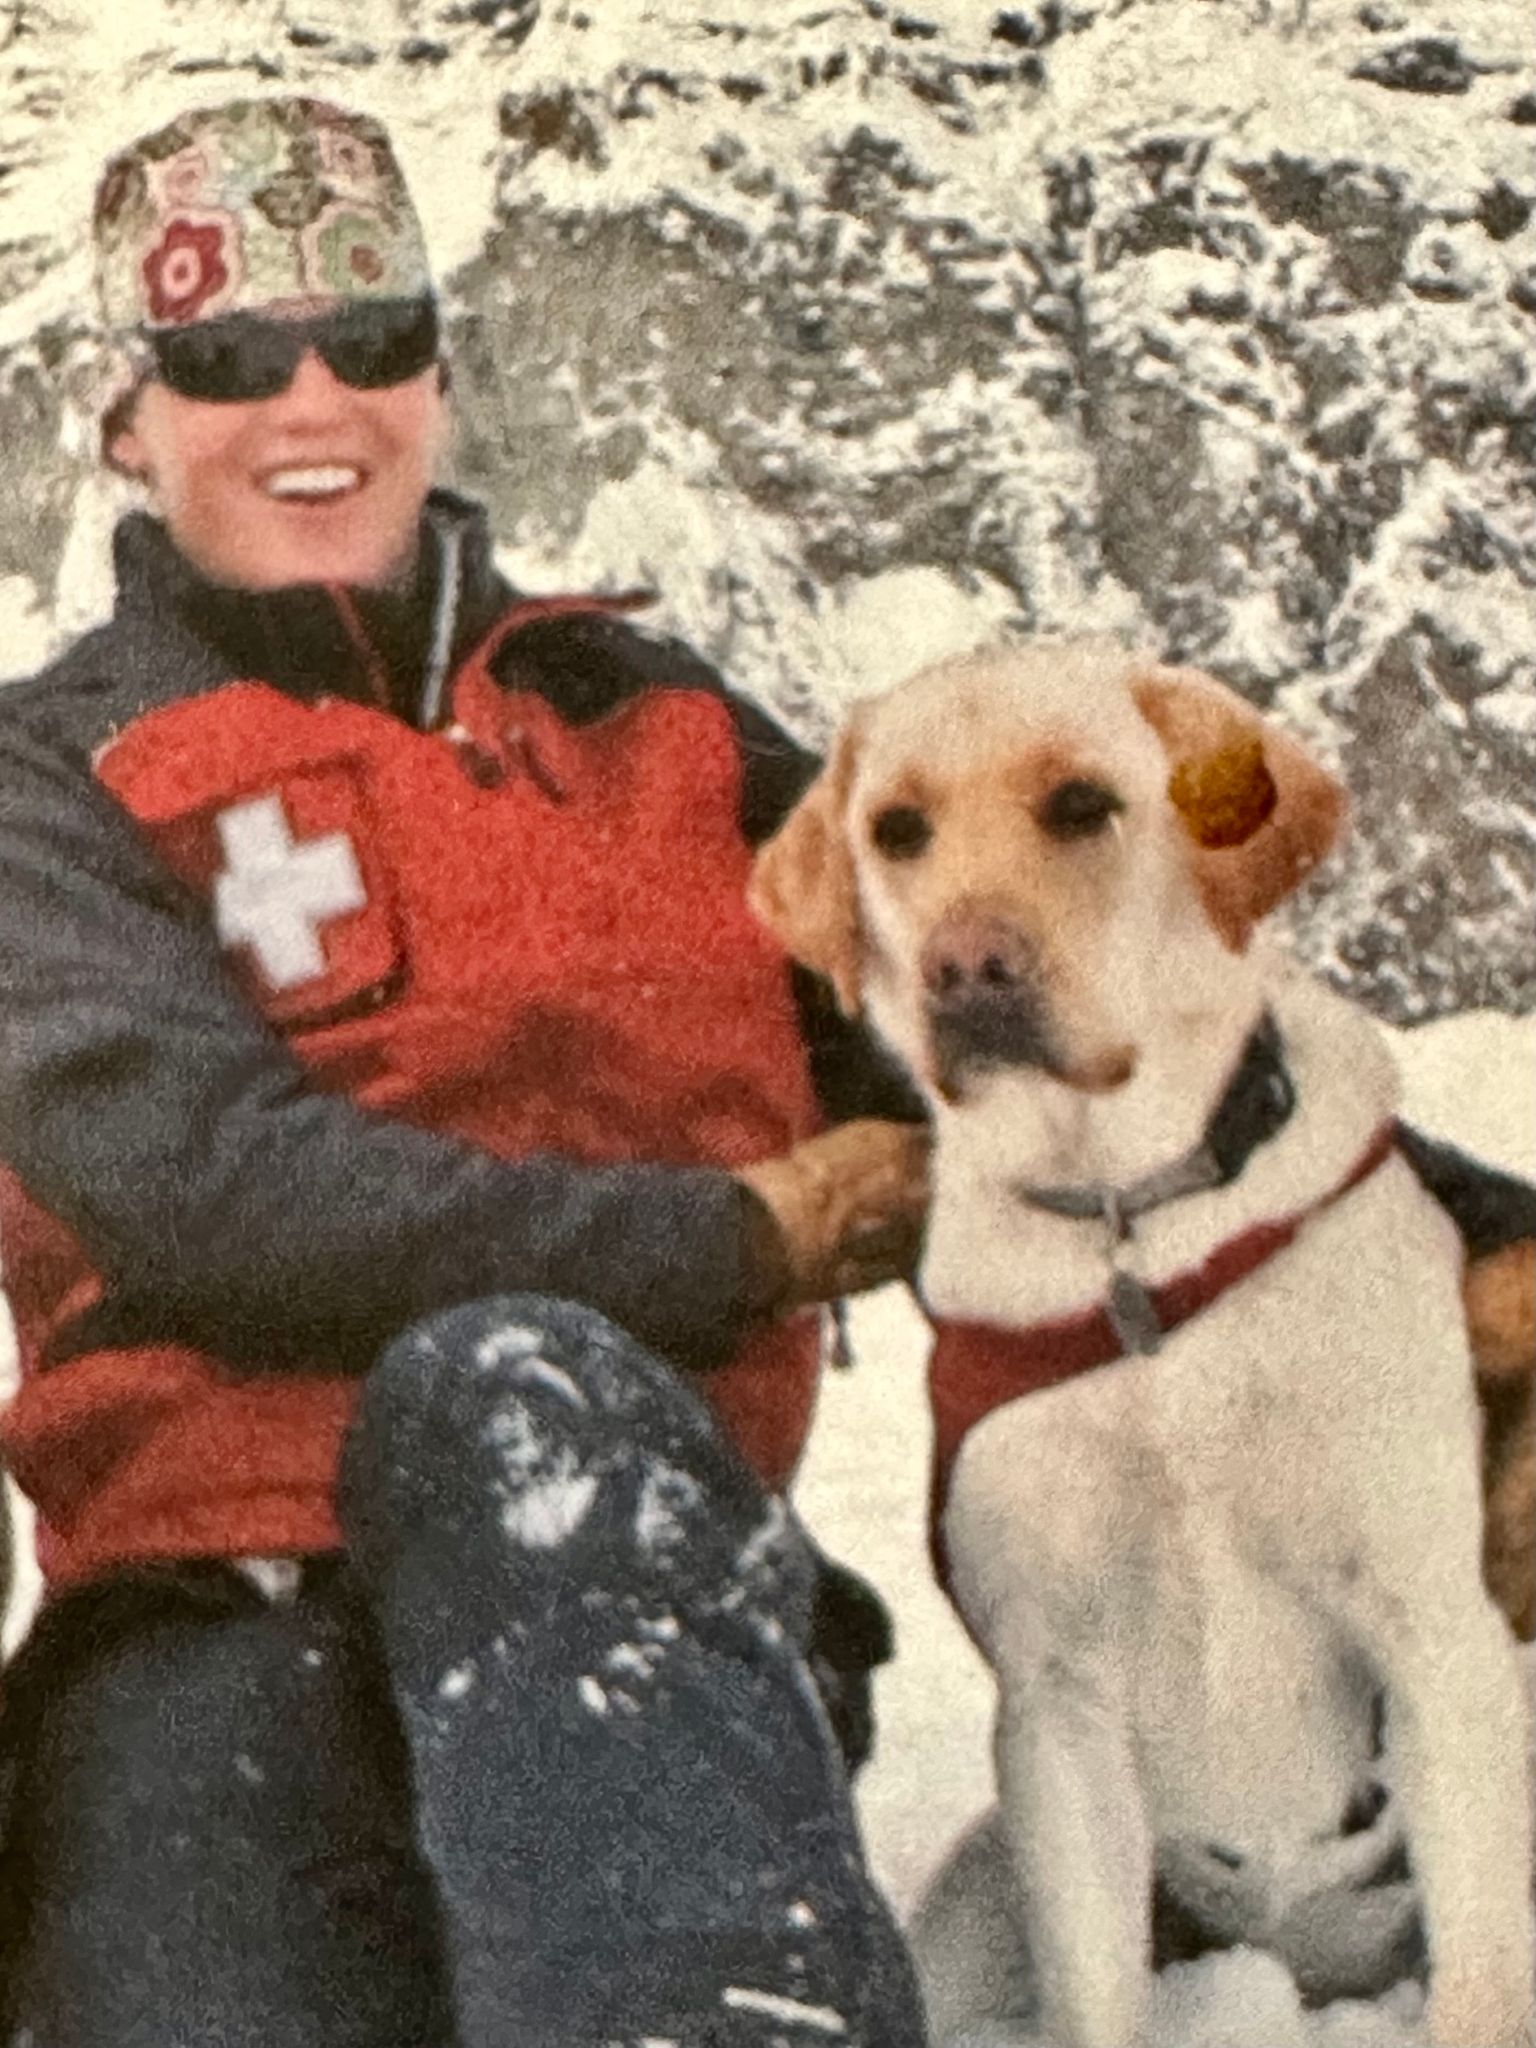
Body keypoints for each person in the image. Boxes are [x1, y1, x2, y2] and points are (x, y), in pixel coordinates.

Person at [0, 96, 933, 2048]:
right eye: (229, 357)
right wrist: (732, 1235)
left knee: (512, 1381)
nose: (309, 399)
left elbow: (1043, 1034)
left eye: (373, 337)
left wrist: (1469, 1249)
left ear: (437, 372)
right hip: (213, 1593)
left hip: (618, 1588)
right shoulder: (49, 776)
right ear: (128, 416)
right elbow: (210, 1192)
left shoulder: (671, 737)